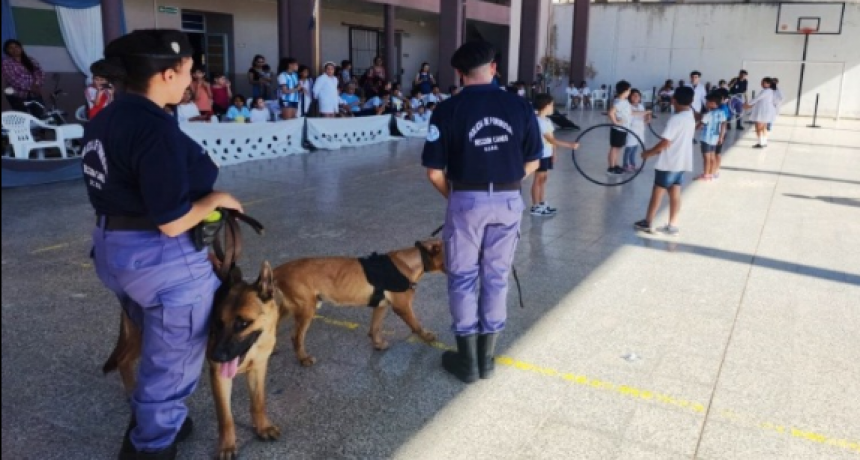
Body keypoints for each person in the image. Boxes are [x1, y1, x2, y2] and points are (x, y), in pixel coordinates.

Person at [82, 29, 243, 460]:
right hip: (160, 259)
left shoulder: (105, 117)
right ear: (168, 72)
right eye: (189, 72)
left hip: (114, 249)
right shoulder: (153, 127)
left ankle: (158, 417)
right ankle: (152, 443)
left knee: (155, 339)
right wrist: (217, 199)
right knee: (171, 366)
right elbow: (172, 222)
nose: (191, 81)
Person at [422, 40, 542, 384]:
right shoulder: (519, 106)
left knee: (461, 278)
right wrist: (502, 184)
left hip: (465, 201)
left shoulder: (447, 109)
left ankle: (468, 362)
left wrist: (459, 198)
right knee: (496, 276)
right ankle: (487, 361)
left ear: (459, 74)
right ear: (493, 68)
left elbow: (433, 171)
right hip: (507, 201)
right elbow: (534, 159)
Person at [634, 86, 695, 237]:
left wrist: (648, 153)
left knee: (657, 192)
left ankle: (648, 222)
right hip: (681, 162)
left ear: (674, 100)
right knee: (675, 193)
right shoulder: (690, 115)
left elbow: (664, 143)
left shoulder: (676, 119)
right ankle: (673, 225)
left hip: (669, 163)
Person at [531, 93, 579, 217]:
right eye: (552, 105)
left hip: (547, 154)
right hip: (540, 154)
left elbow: (552, 138)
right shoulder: (539, 122)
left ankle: (542, 203)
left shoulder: (547, 120)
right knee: (538, 179)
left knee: (544, 179)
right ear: (545, 106)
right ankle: (535, 206)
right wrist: (570, 145)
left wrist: (554, 152)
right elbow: (551, 139)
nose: (553, 107)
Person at [2, 39, 45, 113]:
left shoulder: (30, 60)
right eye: (11, 48)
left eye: (16, 47)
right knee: (23, 118)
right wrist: (31, 88)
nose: (14, 49)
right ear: (7, 51)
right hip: (17, 95)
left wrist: (37, 84)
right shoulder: (6, 63)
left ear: (21, 48)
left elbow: (40, 73)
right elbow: (12, 79)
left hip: (35, 93)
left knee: (40, 115)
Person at [694, 92, 727, 181]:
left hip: (706, 139)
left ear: (712, 103)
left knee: (706, 158)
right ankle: (711, 174)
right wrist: (721, 137)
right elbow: (723, 125)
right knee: (712, 157)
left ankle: (705, 175)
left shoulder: (708, 115)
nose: (706, 103)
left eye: (707, 101)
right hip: (715, 138)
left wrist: (695, 126)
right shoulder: (721, 113)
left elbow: (700, 126)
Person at [606, 80, 632, 175]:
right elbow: (610, 112)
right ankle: (611, 167)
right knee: (614, 148)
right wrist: (616, 122)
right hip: (618, 129)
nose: (630, 92)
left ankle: (615, 165)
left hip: (623, 129)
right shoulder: (620, 102)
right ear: (625, 91)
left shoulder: (623, 101)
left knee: (617, 148)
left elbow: (628, 114)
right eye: (629, 90)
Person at [744, 77, 777, 148]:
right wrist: (750, 105)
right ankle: (764, 142)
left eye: (763, 82)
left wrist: (748, 104)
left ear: (769, 84)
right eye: (762, 82)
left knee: (759, 127)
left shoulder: (767, 91)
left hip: (763, 111)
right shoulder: (768, 91)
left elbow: (757, 98)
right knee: (763, 127)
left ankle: (760, 143)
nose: (761, 84)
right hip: (764, 111)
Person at [623, 89, 651, 173]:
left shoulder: (641, 106)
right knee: (629, 149)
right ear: (630, 96)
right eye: (634, 95)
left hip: (640, 130)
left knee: (635, 148)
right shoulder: (627, 106)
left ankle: (632, 165)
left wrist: (648, 117)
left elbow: (643, 118)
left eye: (638, 95)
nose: (636, 97)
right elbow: (633, 113)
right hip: (631, 130)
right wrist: (645, 112)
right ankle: (625, 165)